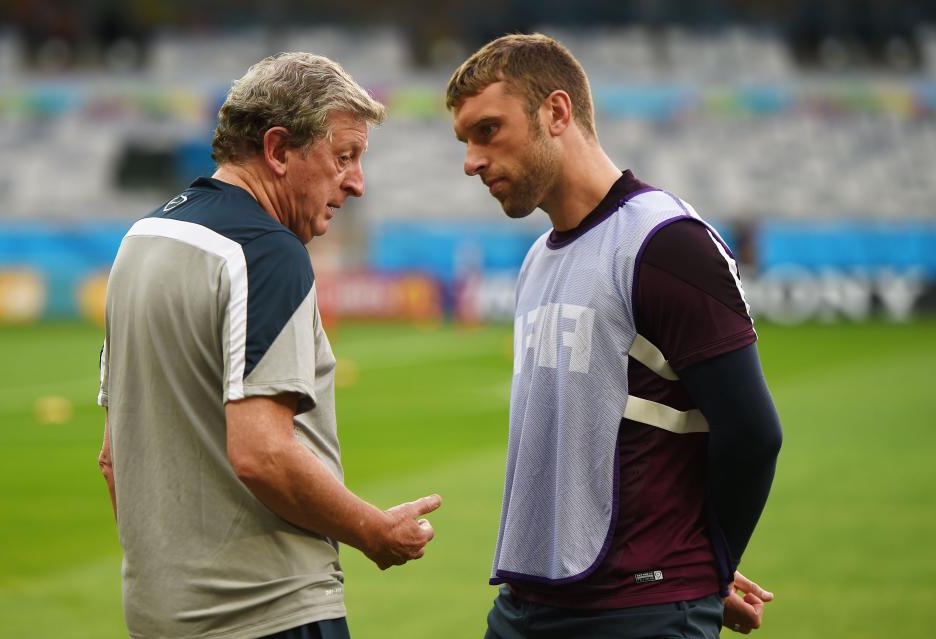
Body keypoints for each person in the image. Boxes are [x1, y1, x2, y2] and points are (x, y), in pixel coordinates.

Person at [447, 34, 782, 638]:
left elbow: (753, 433)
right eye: (465, 140)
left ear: (556, 112)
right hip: (526, 605)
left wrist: (708, 569)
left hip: (637, 613)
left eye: (487, 130)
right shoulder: (536, 259)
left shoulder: (665, 242)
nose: (471, 160)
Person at [97, 52, 441, 639]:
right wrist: (372, 531)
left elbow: (112, 458)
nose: (356, 182)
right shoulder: (268, 251)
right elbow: (263, 454)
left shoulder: (141, 240)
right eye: (344, 156)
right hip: (269, 612)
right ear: (279, 150)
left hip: (158, 617)